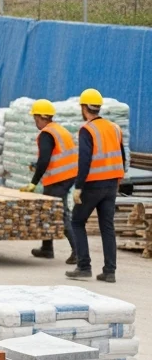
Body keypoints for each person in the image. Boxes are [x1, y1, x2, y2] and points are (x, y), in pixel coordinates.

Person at [66, 88, 127, 283]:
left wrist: (78, 186)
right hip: (111, 184)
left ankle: (84, 266)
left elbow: (84, 160)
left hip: (93, 184)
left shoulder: (87, 129)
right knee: (107, 226)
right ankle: (110, 271)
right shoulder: (115, 128)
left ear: (84, 108)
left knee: (76, 221)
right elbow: (123, 157)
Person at [24, 99, 78, 263]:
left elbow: (45, 159)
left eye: (35, 118)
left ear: (41, 117)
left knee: (61, 214)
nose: (35, 121)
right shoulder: (59, 129)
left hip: (59, 179)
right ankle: (47, 248)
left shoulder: (47, 134)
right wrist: (38, 164)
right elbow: (57, 155)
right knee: (48, 210)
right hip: (67, 175)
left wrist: (34, 182)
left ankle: (79, 252)